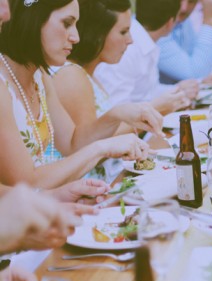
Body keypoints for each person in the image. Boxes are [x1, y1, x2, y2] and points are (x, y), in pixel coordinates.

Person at [0, 0, 150, 189]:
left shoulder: (40, 75)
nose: (76, 37)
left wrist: (118, 114)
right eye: (67, 23)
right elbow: (27, 182)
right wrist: (103, 148)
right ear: (34, 18)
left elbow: (72, 142)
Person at [94, 0, 200, 114]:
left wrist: (178, 90)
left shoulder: (145, 41)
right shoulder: (126, 49)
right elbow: (118, 110)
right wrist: (157, 107)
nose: (129, 39)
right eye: (124, 32)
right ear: (170, 23)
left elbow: (147, 92)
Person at [157, 0, 212, 84]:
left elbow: (200, 66)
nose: (184, 8)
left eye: (191, 1)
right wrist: (209, 20)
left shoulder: (183, 22)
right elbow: (197, 73)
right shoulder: (154, 27)